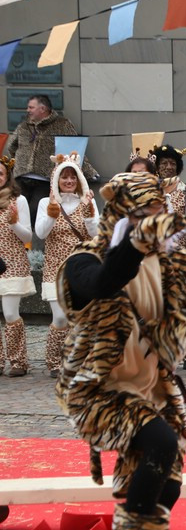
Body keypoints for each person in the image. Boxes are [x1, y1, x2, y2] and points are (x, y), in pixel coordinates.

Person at [56, 171, 186, 530]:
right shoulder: (83, 260)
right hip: (99, 390)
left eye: (158, 212)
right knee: (160, 443)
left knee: (168, 483)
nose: (155, 222)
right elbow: (103, 282)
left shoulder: (175, 264)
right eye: (143, 214)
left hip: (153, 386)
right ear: (121, 215)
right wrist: (132, 244)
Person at [35, 152, 99, 378]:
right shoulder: (46, 202)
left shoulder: (87, 200)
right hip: (54, 268)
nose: (69, 181)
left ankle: (76, 360)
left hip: (80, 269)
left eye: (73, 177)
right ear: (56, 179)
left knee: (79, 317)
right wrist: (52, 212)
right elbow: (41, 233)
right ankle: (53, 361)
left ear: (79, 179)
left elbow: (96, 234)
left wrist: (90, 212)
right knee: (60, 317)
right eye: (64, 177)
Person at [4, 94, 98, 227]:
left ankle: (34, 245)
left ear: (42, 109)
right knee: (16, 208)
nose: (28, 110)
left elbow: (74, 148)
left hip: (44, 179)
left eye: (31, 107)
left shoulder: (62, 124)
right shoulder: (24, 126)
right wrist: (21, 161)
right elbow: (11, 146)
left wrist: (88, 171)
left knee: (35, 212)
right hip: (21, 177)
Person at [149, 144, 186, 369]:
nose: (168, 167)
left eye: (172, 164)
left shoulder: (184, 191)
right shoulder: (150, 189)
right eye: (164, 163)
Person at [0, 155, 35, 376]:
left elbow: (27, 236)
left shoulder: (18, 200)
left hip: (12, 263)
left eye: (1, 173)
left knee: (11, 314)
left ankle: (18, 361)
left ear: (7, 176)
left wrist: (13, 223)